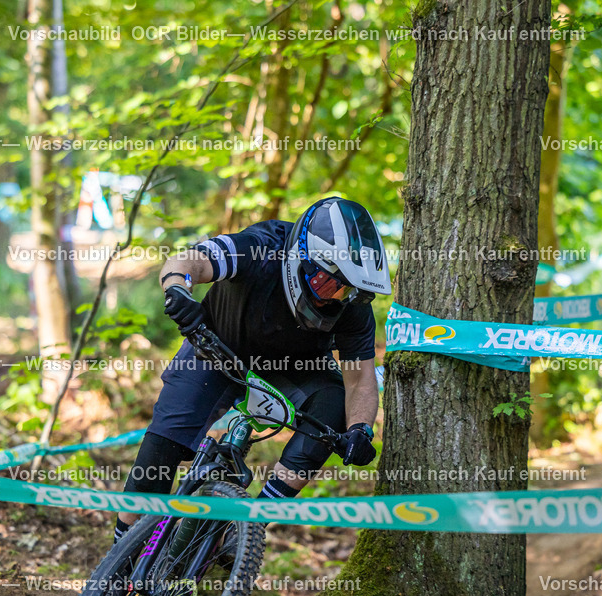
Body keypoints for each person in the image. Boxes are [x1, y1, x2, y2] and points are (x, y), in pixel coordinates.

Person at [113, 196, 392, 543]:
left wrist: (361, 430)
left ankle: (248, 529)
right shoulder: (262, 247)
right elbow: (191, 260)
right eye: (327, 284)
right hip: (217, 348)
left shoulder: (352, 307)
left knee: (334, 406)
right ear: (301, 258)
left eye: (348, 290)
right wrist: (177, 290)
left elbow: (361, 379)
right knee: (161, 449)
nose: (336, 298)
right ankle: (121, 551)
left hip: (296, 368)